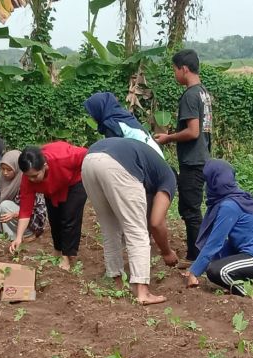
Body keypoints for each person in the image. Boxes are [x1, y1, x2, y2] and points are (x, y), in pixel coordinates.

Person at [82, 138, 179, 305]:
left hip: (89, 161)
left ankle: (116, 283)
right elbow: (156, 222)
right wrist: (167, 252)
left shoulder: (150, 167)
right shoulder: (169, 177)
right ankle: (142, 292)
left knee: (109, 227)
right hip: (116, 165)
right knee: (137, 230)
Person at [183, 160, 253, 296]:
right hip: (252, 252)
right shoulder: (236, 197)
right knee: (216, 255)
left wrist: (194, 272)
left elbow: (215, 242)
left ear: (213, 182)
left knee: (217, 271)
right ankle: (248, 280)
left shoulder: (229, 206)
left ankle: (249, 289)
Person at [154, 49, 213, 263]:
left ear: (184, 69)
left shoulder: (189, 95)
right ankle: (197, 253)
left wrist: (168, 138)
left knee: (190, 210)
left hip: (193, 161)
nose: (174, 74)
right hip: (202, 158)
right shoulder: (203, 92)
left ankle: (196, 257)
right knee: (191, 208)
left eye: (174, 70)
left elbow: (193, 131)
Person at [12, 142, 88, 271]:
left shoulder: (64, 157)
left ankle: (66, 257)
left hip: (74, 182)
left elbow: (89, 155)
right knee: (54, 218)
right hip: (52, 188)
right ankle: (57, 250)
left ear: (45, 166)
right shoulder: (28, 178)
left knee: (69, 217)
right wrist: (18, 237)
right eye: (28, 176)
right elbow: (25, 208)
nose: (31, 180)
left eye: (35, 176)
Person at [0, 150, 47, 241]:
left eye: (9, 169)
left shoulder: (27, 180)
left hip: (28, 221)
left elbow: (38, 211)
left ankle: (12, 236)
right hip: (10, 211)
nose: (5, 173)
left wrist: (15, 214)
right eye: (3, 169)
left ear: (17, 168)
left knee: (5, 205)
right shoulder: (1, 179)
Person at [83, 92, 163, 156]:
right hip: (156, 158)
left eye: (92, 113)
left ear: (98, 110)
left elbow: (115, 155)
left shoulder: (112, 125)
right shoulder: (123, 117)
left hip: (149, 162)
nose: (92, 116)